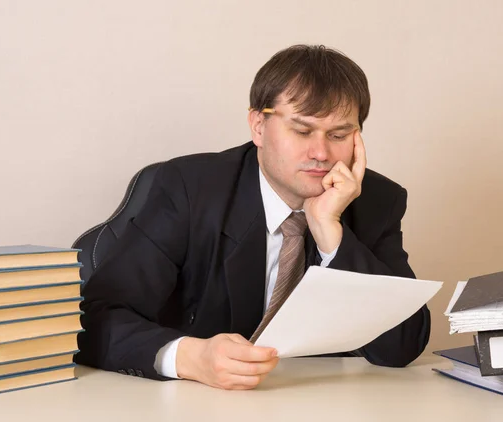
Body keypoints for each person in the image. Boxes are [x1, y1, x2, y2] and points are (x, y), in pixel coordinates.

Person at [76, 44, 431, 390]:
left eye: (339, 135)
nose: (321, 153)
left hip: (313, 403)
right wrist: (188, 357)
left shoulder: (375, 201)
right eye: (302, 131)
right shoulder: (188, 188)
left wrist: (331, 234)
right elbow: (96, 318)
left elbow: (401, 345)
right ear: (258, 125)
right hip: (195, 404)